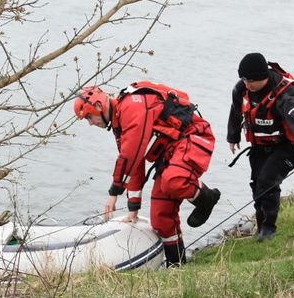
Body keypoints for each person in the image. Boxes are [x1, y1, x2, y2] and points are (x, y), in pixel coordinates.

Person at [74, 82, 220, 267]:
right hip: (169, 153)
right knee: (160, 217)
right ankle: (177, 266)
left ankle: (206, 198)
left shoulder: (131, 107)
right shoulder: (120, 123)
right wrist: (133, 209)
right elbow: (135, 165)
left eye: (89, 117)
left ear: (98, 106)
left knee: (174, 180)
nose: (90, 123)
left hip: (192, 137)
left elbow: (131, 155)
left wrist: (114, 193)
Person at [226, 53, 294, 242]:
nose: (247, 84)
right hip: (261, 145)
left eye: (251, 80)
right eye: (244, 79)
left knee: (268, 182)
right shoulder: (241, 89)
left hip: (288, 147)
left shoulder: (286, 95)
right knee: (257, 184)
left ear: (264, 77)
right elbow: (235, 111)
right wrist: (232, 137)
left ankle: (269, 230)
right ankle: (261, 228)